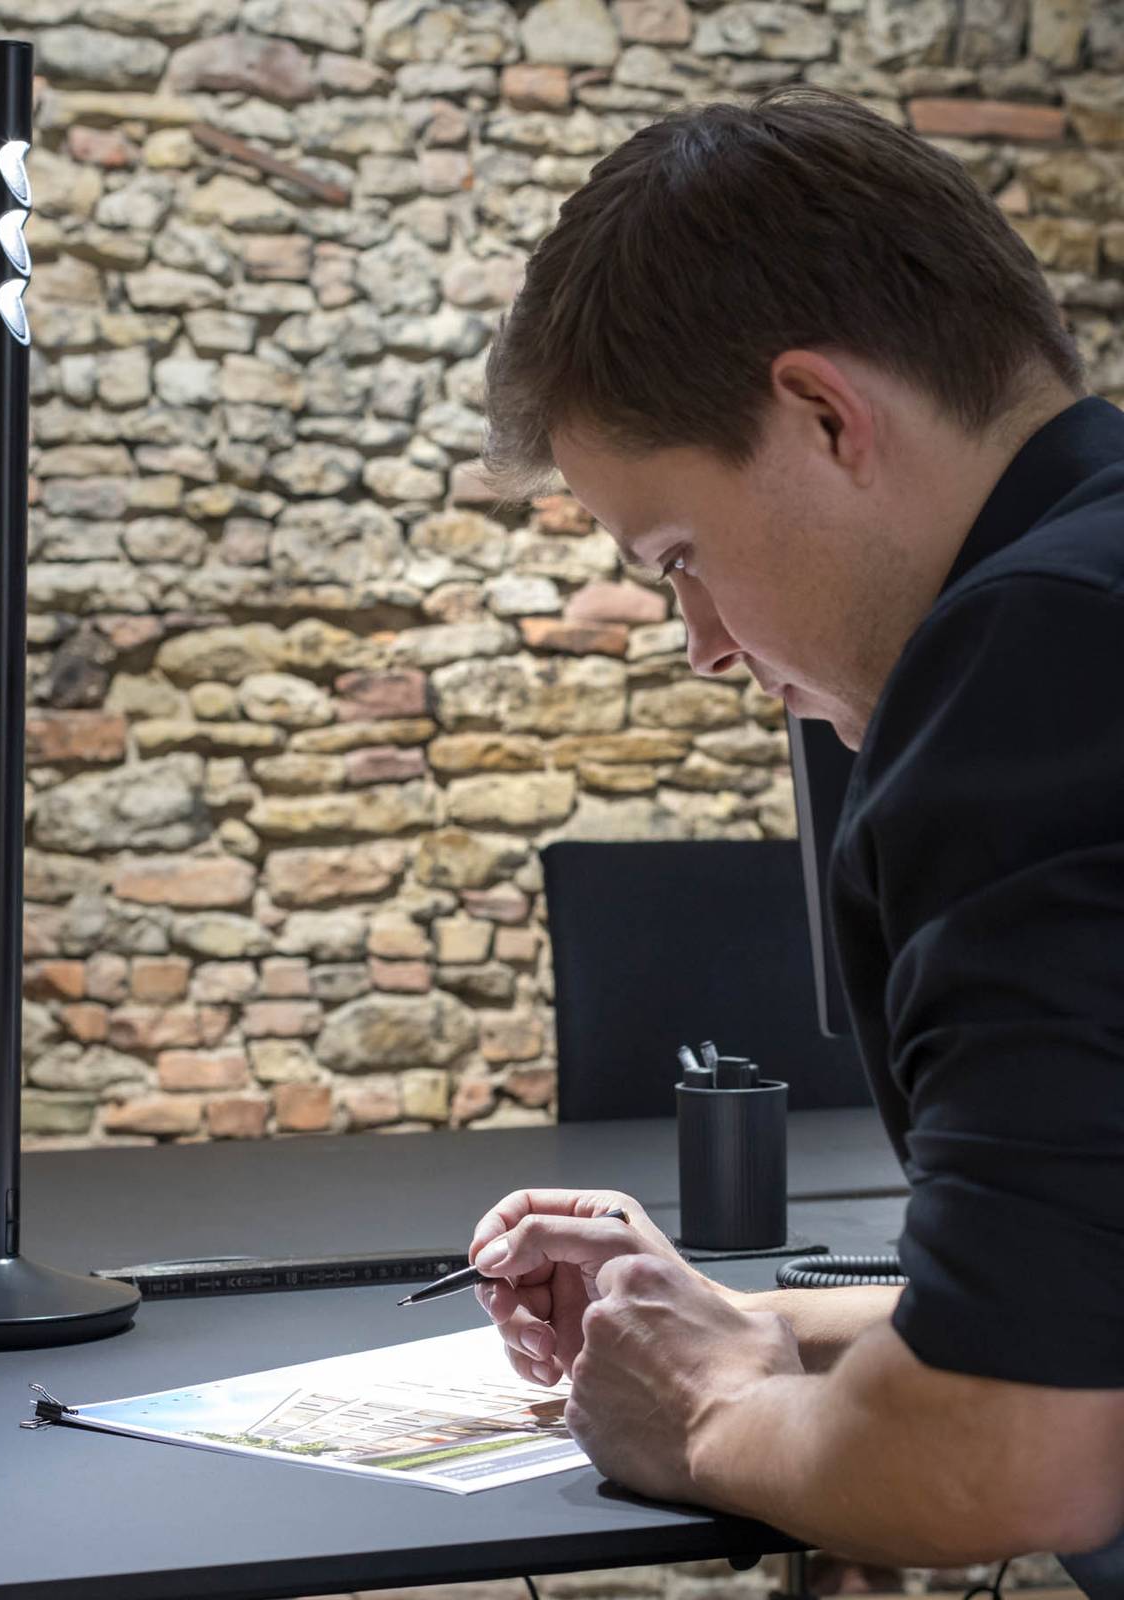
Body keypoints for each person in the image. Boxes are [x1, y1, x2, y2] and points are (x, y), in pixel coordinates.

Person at [469, 86, 1124, 1590]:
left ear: (825, 416)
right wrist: (746, 1326)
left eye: (680, 555)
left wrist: (708, 1412)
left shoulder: (1033, 655)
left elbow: (1008, 1447)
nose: (703, 642)